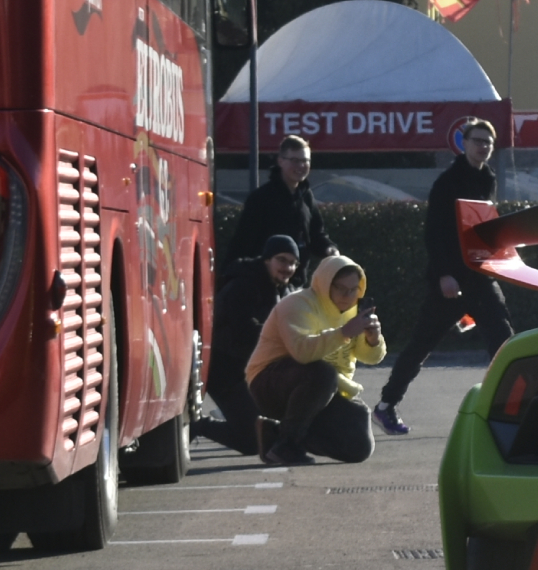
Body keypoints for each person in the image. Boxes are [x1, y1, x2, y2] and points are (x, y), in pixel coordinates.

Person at [375, 118, 513, 436]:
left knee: (503, 340)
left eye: (488, 143)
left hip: (481, 278)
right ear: (464, 144)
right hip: (450, 282)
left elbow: (483, 228)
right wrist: (444, 275)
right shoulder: (447, 182)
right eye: (478, 141)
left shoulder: (488, 178)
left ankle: (505, 411)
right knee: (421, 345)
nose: (483, 147)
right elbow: (433, 234)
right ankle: (385, 407)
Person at [244, 254, 387, 465]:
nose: (347, 296)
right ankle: (286, 445)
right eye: (340, 288)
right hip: (271, 383)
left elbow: (371, 358)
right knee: (322, 373)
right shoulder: (296, 304)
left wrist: (373, 339)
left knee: (359, 447)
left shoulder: (353, 311)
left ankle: (273, 432)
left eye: (353, 289)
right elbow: (301, 352)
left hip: (325, 392)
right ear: (325, 283)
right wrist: (344, 332)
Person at [195, 236, 300, 455]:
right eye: (282, 260)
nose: (287, 267)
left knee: (265, 435)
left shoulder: (282, 290)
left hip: (251, 371)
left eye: (292, 263)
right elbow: (240, 329)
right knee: (253, 440)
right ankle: (197, 426)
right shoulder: (244, 284)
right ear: (266, 260)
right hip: (225, 371)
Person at [225, 135, 331, 278]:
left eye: (305, 161)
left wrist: (330, 250)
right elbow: (242, 243)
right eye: (294, 160)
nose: (300, 166)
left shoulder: (306, 196)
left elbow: (316, 235)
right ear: (280, 161)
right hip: (263, 284)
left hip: (297, 282)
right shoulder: (261, 198)